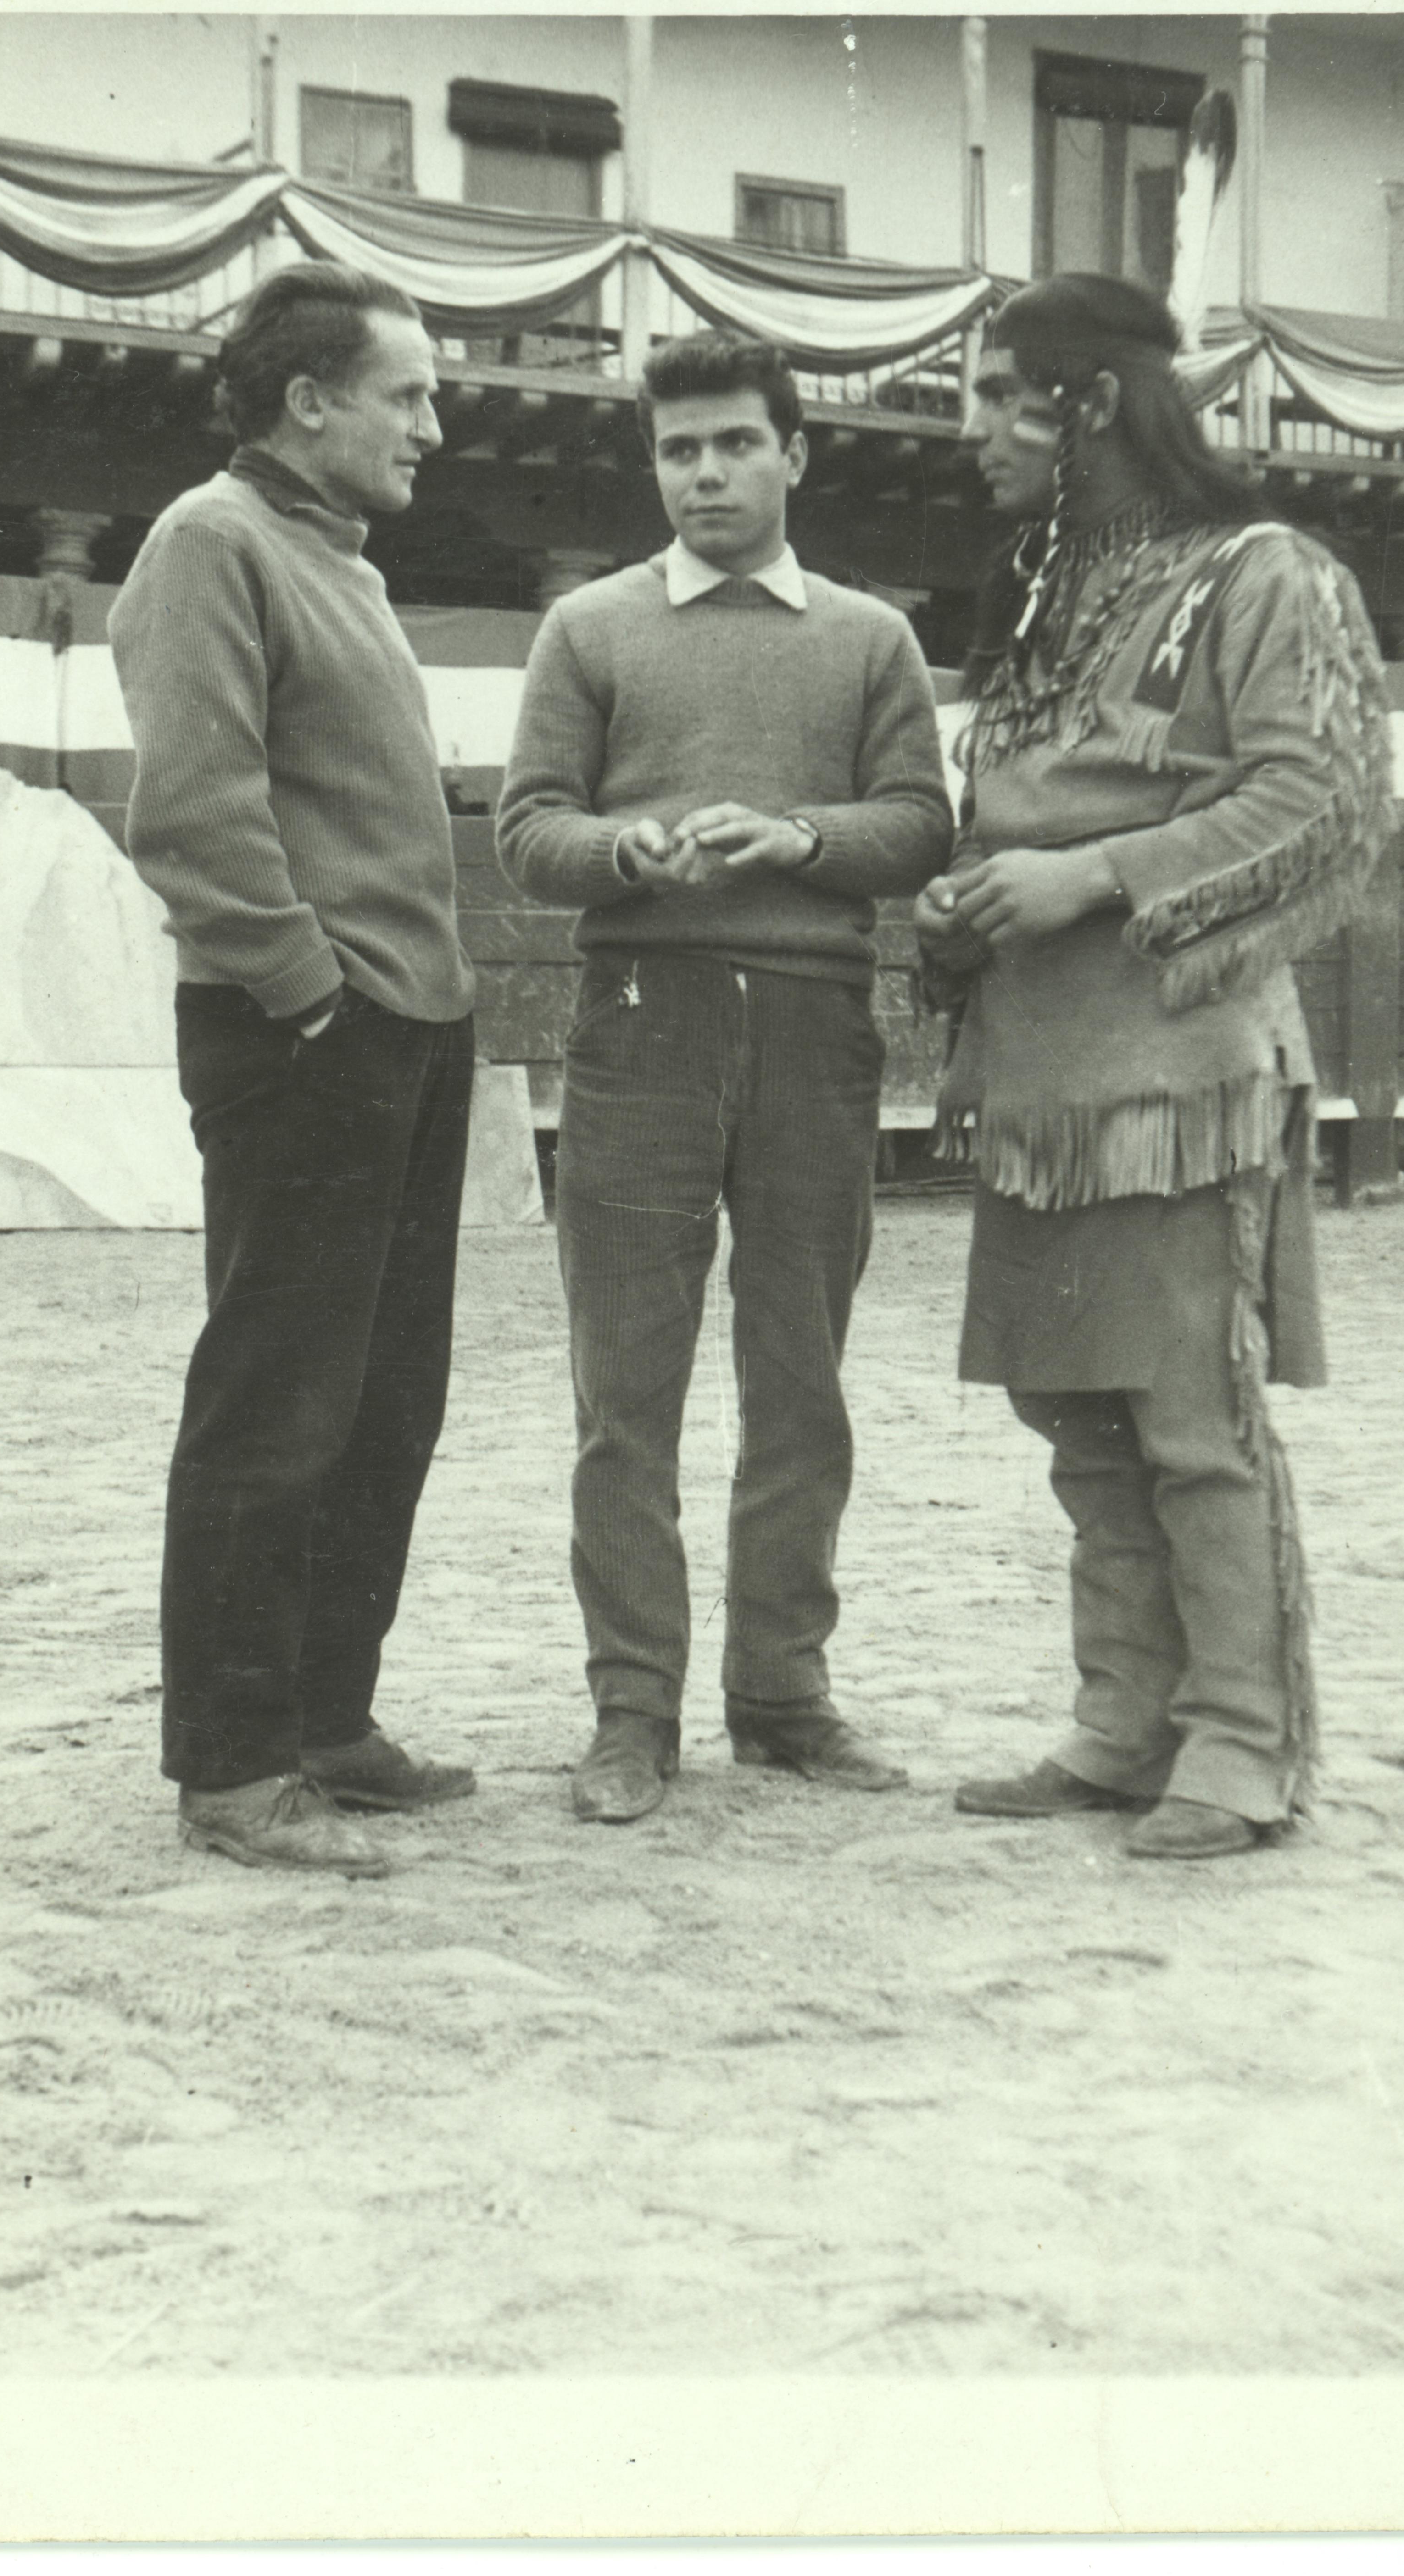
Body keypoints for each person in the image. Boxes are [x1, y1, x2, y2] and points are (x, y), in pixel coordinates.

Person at [924, 275, 1395, 1860]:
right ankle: (1125, 1721)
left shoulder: (1265, 572)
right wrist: (970, 896)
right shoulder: (1046, 597)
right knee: (1075, 1418)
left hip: (1182, 1070)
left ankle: (1243, 1747)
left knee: (1191, 1420)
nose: (974, 431)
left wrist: (1091, 877)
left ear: (1097, 404)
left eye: (1003, 397)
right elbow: (1013, 815)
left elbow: (1311, 799)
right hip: (1041, 1078)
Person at [496, 332, 954, 1823]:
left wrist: (804, 841)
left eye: (734, 445)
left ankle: (782, 1698)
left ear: (793, 454)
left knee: (798, 1380)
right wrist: (624, 850)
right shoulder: (590, 626)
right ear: (655, 465)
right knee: (625, 1391)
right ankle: (633, 1713)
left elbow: (919, 824)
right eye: (680, 450)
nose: (705, 473)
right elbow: (525, 829)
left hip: (818, 1027)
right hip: (639, 1022)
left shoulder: (869, 638)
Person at [109, 263, 479, 1877]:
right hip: (307, 1035)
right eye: (407, 394)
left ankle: (329, 1719)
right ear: (307, 401)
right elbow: (195, 813)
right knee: (278, 1394)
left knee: (387, 1395)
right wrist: (310, 998)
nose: (434, 424)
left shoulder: (340, 560)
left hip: (407, 1026)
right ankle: (236, 1765)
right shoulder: (210, 542)